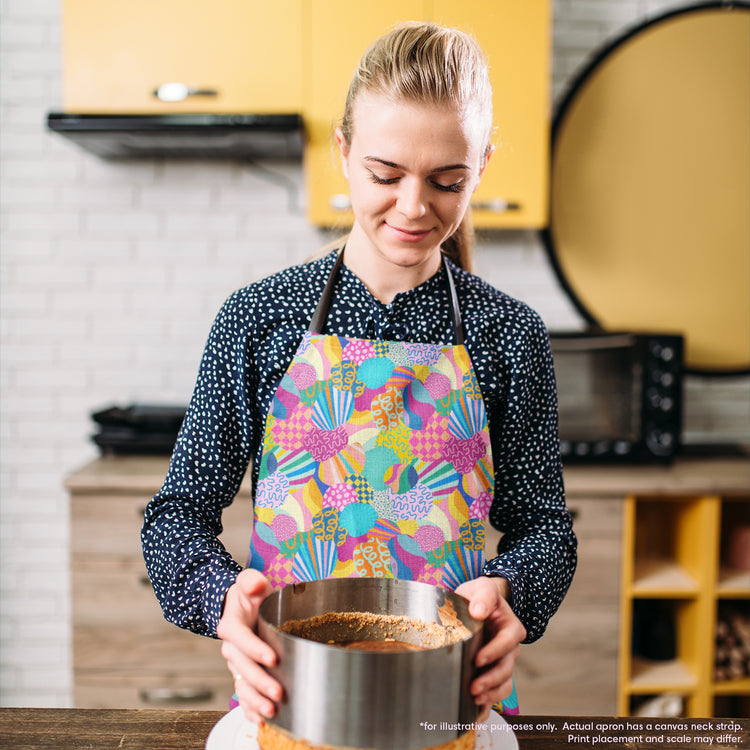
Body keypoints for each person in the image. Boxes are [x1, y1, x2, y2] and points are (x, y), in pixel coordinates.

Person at [141, 20, 577, 725]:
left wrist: (515, 596)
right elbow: (175, 519)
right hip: (292, 696)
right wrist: (224, 601)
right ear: (342, 155)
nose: (413, 206)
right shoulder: (260, 318)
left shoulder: (509, 335)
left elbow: (545, 529)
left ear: (483, 167)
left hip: (449, 698)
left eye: (447, 181)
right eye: (385, 174)